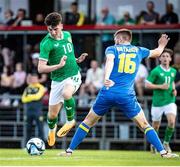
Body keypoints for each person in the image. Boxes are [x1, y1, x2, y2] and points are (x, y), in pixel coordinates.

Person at [60, 29, 179, 158]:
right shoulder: (139, 50)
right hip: (126, 95)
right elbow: (157, 52)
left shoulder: (112, 49)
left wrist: (106, 77)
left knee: (87, 122)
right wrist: (161, 45)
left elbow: (110, 61)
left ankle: (69, 151)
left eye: (116, 39)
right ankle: (163, 152)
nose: (114, 41)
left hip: (108, 92)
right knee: (144, 125)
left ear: (121, 39)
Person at [38, 12, 88, 147]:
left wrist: (77, 59)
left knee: (67, 93)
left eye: (56, 29)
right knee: (52, 116)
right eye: (50, 29)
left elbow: (68, 55)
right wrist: (58, 66)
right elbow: (41, 68)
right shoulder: (46, 43)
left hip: (73, 75)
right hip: (57, 80)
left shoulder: (67, 35)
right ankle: (51, 131)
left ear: (61, 25)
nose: (53, 32)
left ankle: (70, 121)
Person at [145, 48, 177, 153]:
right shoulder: (156, 71)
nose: (165, 58)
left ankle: (166, 143)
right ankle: (154, 144)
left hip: (170, 100)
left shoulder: (173, 71)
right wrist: (160, 86)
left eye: (167, 56)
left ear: (170, 59)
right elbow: (147, 84)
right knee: (155, 126)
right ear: (159, 59)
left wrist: (174, 89)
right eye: (163, 56)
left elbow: (171, 82)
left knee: (172, 122)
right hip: (158, 102)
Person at [21, 73, 45, 143]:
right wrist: (33, 97)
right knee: (27, 129)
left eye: (35, 78)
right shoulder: (28, 88)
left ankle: (42, 144)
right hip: (28, 111)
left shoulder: (41, 87)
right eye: (32, 78)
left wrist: (29, 97)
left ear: (37, 79)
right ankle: (26, 145)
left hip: (37, 111)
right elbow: (23, 99)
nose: (33, 80)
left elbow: (38, 96)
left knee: (40, 128)